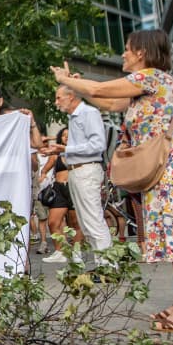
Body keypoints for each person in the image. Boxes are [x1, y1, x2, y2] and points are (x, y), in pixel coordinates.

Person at [51, 30, 173, 331]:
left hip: (172, 170)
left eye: (127, 49)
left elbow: (101, 90)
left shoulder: (153, 77)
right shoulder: (143, 88)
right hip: (164, 171)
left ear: (141, 52)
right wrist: (79, 88)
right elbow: (107, 102)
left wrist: (66, 80)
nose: (124, 55)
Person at [44, 84, 112, 256]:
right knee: (85, 222)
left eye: (59, 97)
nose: (56, 102)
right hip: (76, 171)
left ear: (71, 96)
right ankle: (102, 264)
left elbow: (98, 144)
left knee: (93, 220)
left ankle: (108, 266)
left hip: (86, 170)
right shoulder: (74, 117)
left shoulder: (88, 113)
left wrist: (66, 149)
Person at [42, 129, 81, 263]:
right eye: (64, 135)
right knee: (53, 222)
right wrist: (42, 176)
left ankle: (77, 252)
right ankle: (60, 251)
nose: (66, 137)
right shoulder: (56, 155)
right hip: (58, 189)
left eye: (69, 135)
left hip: (74, 188)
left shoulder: (78, 153)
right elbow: (45, 169)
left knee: (75, 222)